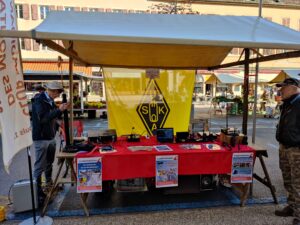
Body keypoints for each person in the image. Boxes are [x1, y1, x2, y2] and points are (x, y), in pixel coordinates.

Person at [31, 81, 69, 206]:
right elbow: (43, 118)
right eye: (56, 92)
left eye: (58, 92)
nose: (57, 94)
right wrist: (59, 110)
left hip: (50, 137)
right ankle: (37, 192)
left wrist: (59, 126)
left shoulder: (50, 101)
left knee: (49, 162)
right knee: (40, 166)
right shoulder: (39, 100)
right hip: (41, 138)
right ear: (51, 90)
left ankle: (48, 183)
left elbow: (51, 118)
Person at [275, 78, 300, 225]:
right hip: (284, 147)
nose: (280, 90)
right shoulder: (287, 104)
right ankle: (292, 206)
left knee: (298, 183)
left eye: (283, 88)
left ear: (293, 88)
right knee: (288, 180)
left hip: (297, 149)